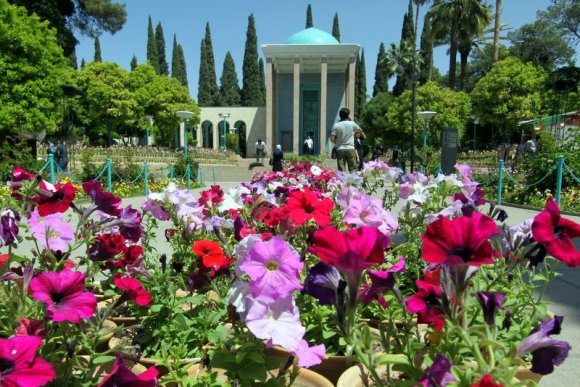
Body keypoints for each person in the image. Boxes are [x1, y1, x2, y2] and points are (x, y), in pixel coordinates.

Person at [330, 107, 359, 172]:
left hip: (340, 149)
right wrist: (354, 135)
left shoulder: (336, 125)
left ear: (340, 115)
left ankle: (343, 181)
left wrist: (337, 141)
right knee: (353, 168)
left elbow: (332, 139)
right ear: (348, 115)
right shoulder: (352, 123)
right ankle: (353, 181)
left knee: (341, 170)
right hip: (350, 148)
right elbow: (359, 130)